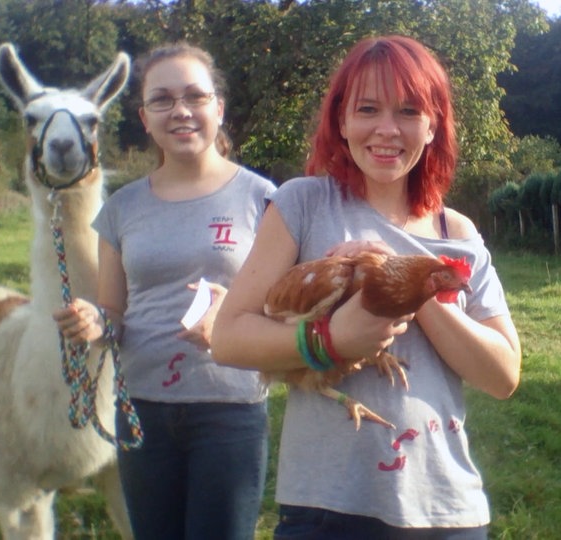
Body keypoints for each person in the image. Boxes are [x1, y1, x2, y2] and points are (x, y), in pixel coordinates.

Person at [212, 35, 521, 539]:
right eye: (368, 109)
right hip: (330, 504)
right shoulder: (305, 204)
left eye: (407, 111)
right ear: (341, 121)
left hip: (446, 507)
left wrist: (403, 281)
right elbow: (227, 338)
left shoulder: (456, 234)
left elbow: (503, 376)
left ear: (433, 123)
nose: (386, 129)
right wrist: (330, 341)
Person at [53, 42, 274, 540]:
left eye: (195, 96)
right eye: (163, 99)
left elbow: (283, 308)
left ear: (218, 107)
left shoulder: (264, 200)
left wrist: (235, 323)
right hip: (142, 411)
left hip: (230, 410)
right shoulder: (122, 209)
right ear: (144, 117)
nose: (180, 110)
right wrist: (94, 321)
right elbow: (115, 312)